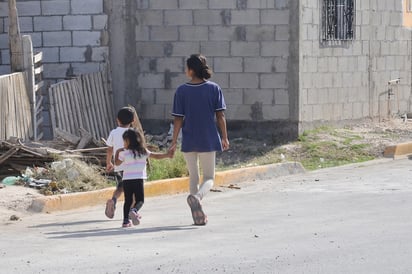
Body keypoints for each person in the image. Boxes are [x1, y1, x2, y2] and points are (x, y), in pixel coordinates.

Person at [170, 54, 229, 226]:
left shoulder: (181, 91)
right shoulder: (214, 88)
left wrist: (174, 141)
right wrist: (224, 136)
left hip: (189, 138)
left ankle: (197, 215)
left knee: (193, 177)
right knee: (209, 177)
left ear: (191, 70)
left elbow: (178, 119)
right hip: (208, 138)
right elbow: (220, 116)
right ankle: (197, 198)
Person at [115, 128, 173, 227]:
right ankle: (134, 210)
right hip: (138, 179)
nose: (123, 143)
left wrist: (117, 152)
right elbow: (156, 156)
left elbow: (116, 163)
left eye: (124, 141)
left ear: (128, 141)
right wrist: (167, 155)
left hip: (127, 180)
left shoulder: (124, 153)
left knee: (128, 200)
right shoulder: (143, 151)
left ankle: (125, 221)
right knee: (140, 200)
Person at [105, 106, 139, 219]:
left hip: (119, 165)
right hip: (132, 167)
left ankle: (113, 200)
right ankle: (131, 212)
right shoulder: (134, 133)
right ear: (133, 121)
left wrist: (109, 162)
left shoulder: (114, 132)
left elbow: (109, 148)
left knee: (120, 187)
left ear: (117, 120)